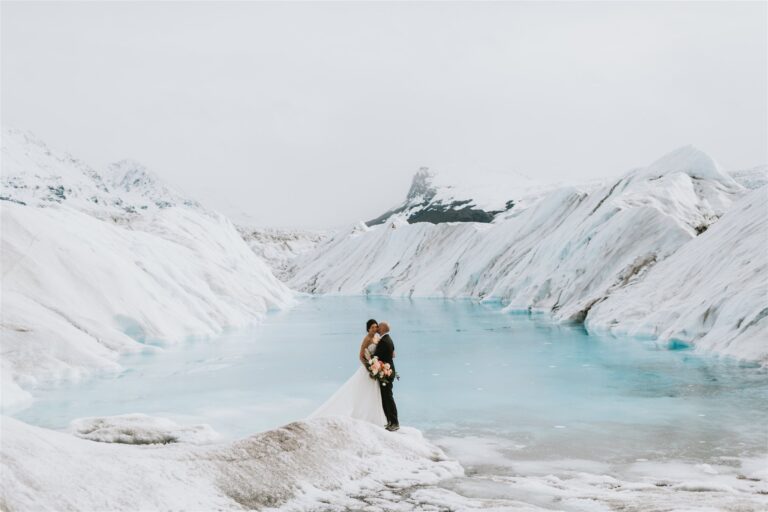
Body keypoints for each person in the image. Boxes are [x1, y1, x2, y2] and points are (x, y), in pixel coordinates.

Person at [308, 319, 388, 426]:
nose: (374, 329)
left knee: (373, 392)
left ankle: (374, 416)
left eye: (376, 327)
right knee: (365, 392)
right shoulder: (367, 339)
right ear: (368, 329)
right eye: (372, 327)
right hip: (368, 370)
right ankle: (362, 416)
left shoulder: (377, 337)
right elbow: (361, 356)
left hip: (375, 368)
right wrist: (369, 368)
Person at [373, 321, 399, 431]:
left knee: (388, 398)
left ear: (383, 328)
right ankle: (390, 422)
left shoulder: (384, 341)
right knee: (386, 398)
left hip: (386, 373)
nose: (377, 328)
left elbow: (377, 356)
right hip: (386, 371)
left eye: (379, 326)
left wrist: (369, 357)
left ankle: (394, 423)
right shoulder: (387, 339)